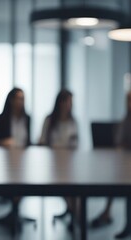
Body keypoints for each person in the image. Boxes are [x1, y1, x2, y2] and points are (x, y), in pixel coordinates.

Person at [92, 88, 131, 238]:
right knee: (118, 181)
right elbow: (119, 142)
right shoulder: (125, 120)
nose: (130, 104)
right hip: (127, 161)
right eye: (128, 100)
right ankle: (114, 215)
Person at [0, 88, 33, 230]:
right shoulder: (1, 119)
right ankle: (13, 213)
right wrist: (3, 142)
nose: (21, 102)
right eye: (18, 98)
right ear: (11, 100)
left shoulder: (27, 119)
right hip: (5, 161)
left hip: (24, 160)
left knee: (24, 180)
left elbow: (29, 142)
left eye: (23, 98)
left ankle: (15, 212)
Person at [38, 89, 78, 229]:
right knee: (65, 181)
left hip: (69, 163)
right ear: (60, 102)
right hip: (52, 163)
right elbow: (42, 141)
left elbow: (76, 143)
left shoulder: (73, 121)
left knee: (75, 184)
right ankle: (74, 212)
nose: (70, 105)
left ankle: (74, 212)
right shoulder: (49, 120)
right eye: (68, 101)